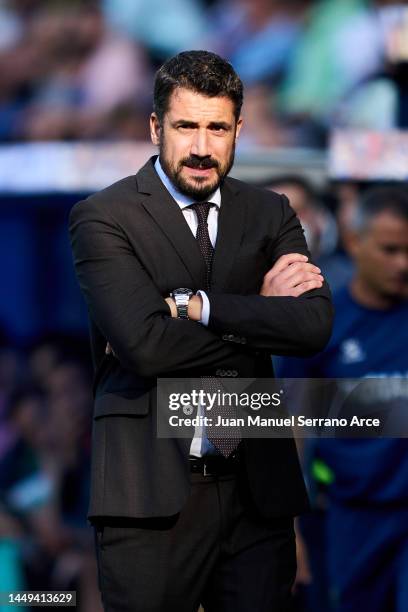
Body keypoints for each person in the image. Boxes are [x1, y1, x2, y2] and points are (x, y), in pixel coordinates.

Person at [69, 50, 333, 612]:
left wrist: (195, 309)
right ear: (155, 127)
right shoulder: (104, 216)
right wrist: (261, 311)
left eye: (217, 128)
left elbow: (311, 325)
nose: (201, 147)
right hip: (149, 494)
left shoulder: (272, 212)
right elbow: (144, 345)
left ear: (239, 128)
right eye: (185, 126)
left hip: (257, 490)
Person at [277, 185, 408, 612]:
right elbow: (291, 426)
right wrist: (288, 528)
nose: (402, 264)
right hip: (349, 516)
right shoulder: (321, 322)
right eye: (390, 250)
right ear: (355, 242)